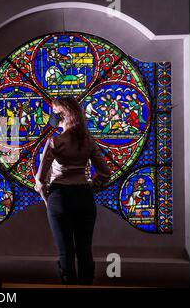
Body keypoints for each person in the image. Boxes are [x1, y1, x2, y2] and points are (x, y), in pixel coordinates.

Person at [34, 97, 111, 285]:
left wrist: (47, 199)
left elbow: (40, 180)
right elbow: (105, 174)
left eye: (53, 111)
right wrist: (90, 188)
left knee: (65, 252)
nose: (50, 115)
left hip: (59, 197)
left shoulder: (55, 142)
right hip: (84, 196)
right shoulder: (89, 142)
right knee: (85, 250)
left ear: (60, 115)